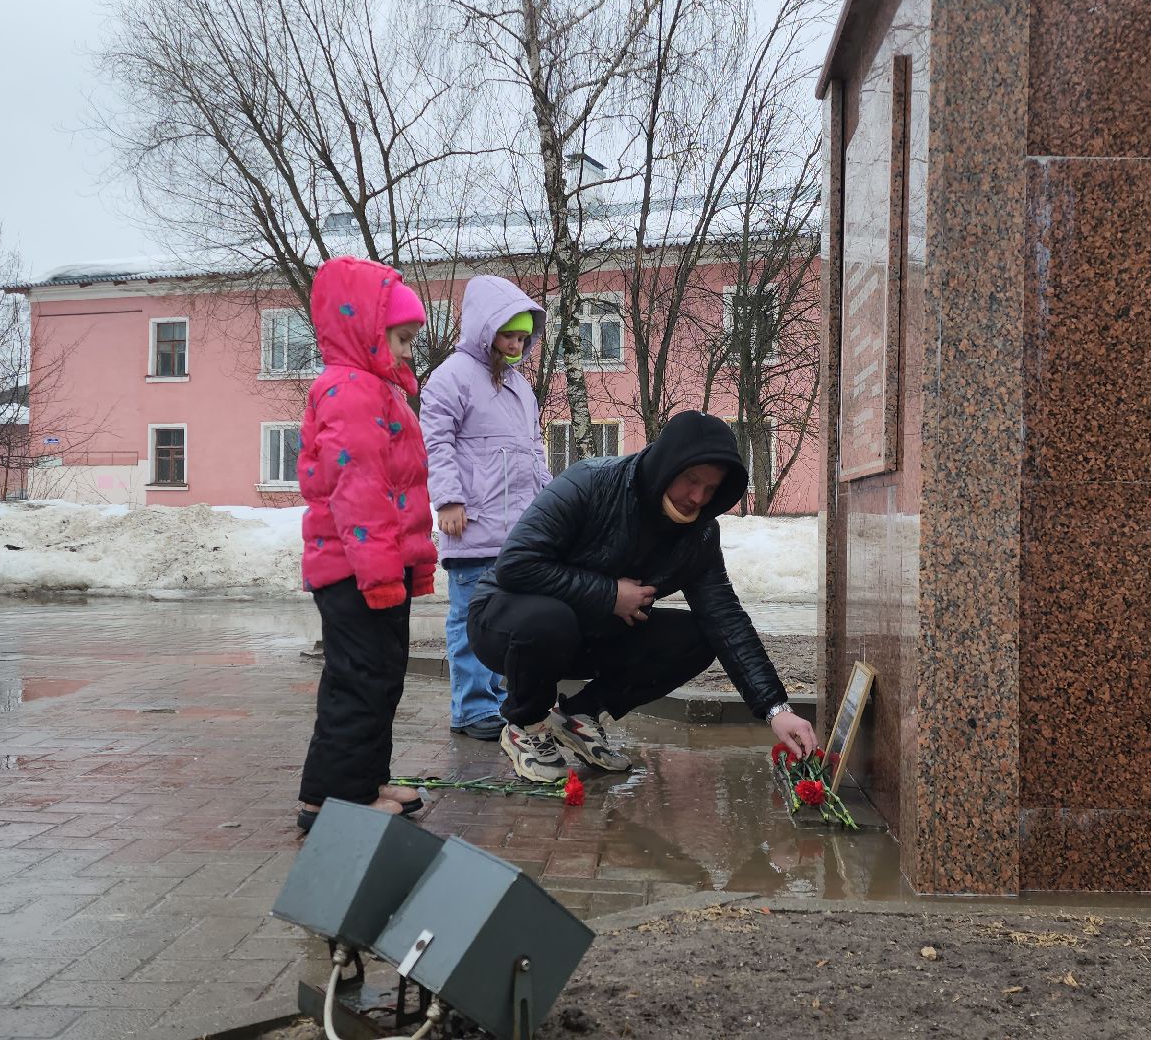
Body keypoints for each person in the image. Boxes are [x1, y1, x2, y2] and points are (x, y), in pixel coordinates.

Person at [467, 410, 817, 781]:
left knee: (698, 637)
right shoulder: (590, 483)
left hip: (585, 635)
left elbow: (726, 620)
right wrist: (608, 594)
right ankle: (525, 725)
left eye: (711, 489)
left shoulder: (698, 535)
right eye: (690, 480)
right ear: (667, 465)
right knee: (550, 620)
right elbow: (516, 565)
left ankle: (580, 716)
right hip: (504, 623)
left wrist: (776, 709)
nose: (697, 497)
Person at [294, 256, 439, 832]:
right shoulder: (350, 391)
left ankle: (364, 780)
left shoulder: (376, 390)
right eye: (401, 338)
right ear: (363, 330)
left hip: (375, 567)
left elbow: (401, 487)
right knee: (360, 680)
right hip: (356, 571)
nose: (408, 351)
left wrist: (410, 562)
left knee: (381, 677)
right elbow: (360, 491)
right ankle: (332, 799)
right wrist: (381, 572)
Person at [418, 276, 551, 741]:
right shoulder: (451, 376)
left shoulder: (518, 386)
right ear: (484, 328)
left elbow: (533, 452)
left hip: (518, 531)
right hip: (471, 522)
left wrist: (548, 505)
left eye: (523, 337)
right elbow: (436, 442)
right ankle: (472, 709)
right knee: (471, 622)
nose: (517, 345)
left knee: (508, 623)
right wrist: (449, 500)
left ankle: (497, 703)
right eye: (509, 334)